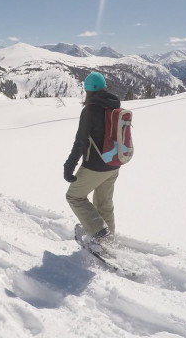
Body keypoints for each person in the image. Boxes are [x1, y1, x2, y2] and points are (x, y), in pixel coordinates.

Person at [63, 71, 122, 247]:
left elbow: (80, 141)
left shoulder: (90, 110)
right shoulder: (114, 106)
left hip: (95, 166)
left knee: (74, 196)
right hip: (115, 163)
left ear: (88, 90)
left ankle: (100, 233)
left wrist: (69, 166)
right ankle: (108, 240)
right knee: (104, 203)